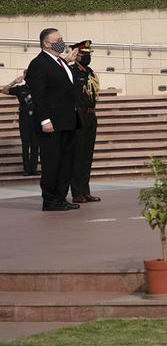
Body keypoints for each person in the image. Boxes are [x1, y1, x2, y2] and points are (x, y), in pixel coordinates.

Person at [27, 28, 81, 211]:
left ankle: (60, 198)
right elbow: (39, 96)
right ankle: (50, 200)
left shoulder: (60, 62)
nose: (61, 42)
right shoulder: (38, 63)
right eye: (57, 39)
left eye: (62, 38)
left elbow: (59, 79)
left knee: (66, 162)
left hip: (68, 120)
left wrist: (67, 61)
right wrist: (45, 120)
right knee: (52, 162)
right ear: (46, 43)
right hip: (52, 123)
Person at [69, 41, 101, 203]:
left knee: (87, 155)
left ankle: (85, 190)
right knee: (78, 155)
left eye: (89, 54)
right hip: (78, 116)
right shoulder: (72, 71)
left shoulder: (89, 72)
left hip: (90, 116)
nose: (87, 57)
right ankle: (77, 193)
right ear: (77, 55)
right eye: (84, 55)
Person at [1, 72, 40, 176]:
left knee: (35, 145)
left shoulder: (39, 88)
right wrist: (14, 82)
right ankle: (26, 169)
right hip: (25, 119)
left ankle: (34, 169)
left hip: (36, 119)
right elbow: (3, 91)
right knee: (25, 144)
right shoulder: (20, 88)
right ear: (25, 77)